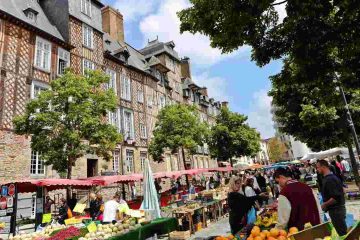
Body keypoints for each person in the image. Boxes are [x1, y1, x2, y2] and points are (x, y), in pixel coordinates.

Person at [316, 160, 347, 236]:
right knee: (342, 232)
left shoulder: (329, 179)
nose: (317, 170)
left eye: (317, 167)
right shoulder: (332, 177)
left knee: (343, 234)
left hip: (336, 210)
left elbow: (335, 198)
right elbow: (343, 191)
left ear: (323, 167)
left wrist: (324, 204)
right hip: (338, 210)